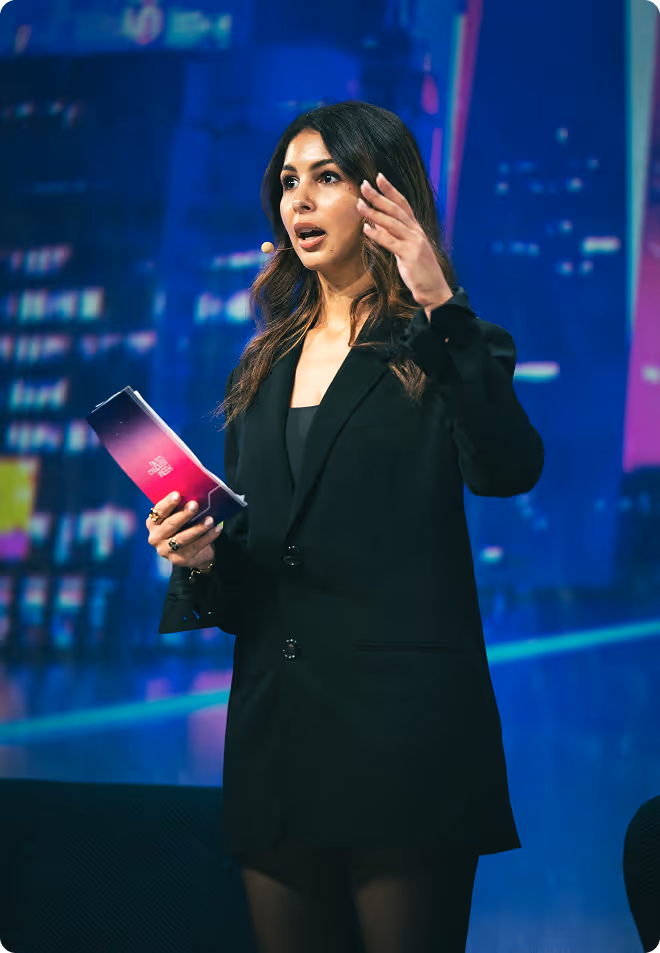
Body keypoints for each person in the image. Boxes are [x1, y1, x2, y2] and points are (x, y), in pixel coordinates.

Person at [148, 101, 545, 953]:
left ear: (383, 197)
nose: (299, 201)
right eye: (289, 182)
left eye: (326, 177)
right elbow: (255, 568)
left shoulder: (445, 343)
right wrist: (200, 553)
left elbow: (507, 469)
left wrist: (441, 304)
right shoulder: (261, 364)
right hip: (276, 736)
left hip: (402, 737)